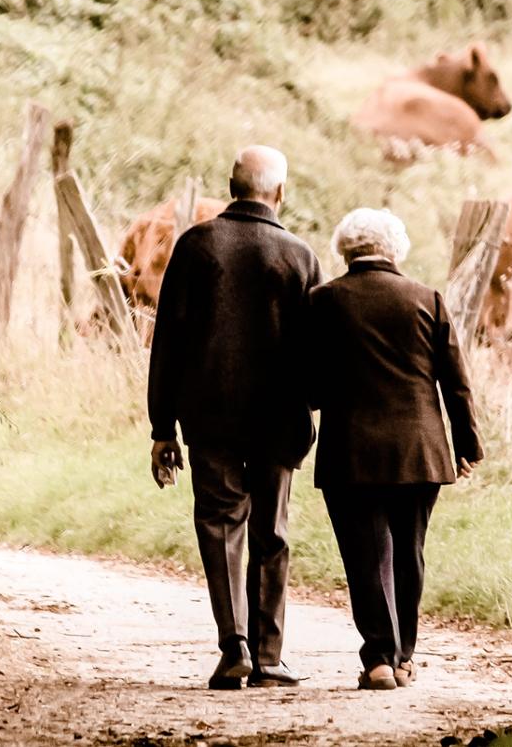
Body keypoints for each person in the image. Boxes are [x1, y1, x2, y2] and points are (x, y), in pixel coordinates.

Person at [147, 145, 323, 690]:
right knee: (271, 530)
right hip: (279, 419)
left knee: (221, 527)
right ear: (281, 193)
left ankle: (235, 648)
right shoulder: (299, 256)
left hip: (210, 416)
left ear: (230, 185)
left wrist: (162, 428)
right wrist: (312, 407)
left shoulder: (196, 246)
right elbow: (316, 351)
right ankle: (270, 657)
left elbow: (167, 343)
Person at [306, 208, 482, 691]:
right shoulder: (427, 299)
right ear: (395, 249)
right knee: (409, 552)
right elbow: (456, 382)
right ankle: (404, 656)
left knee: (366, 555)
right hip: (420, 450)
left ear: (345, 248)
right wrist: (466, 444)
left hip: (350, 452)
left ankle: (379, 659)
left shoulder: (323, 301)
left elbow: (311, 386)